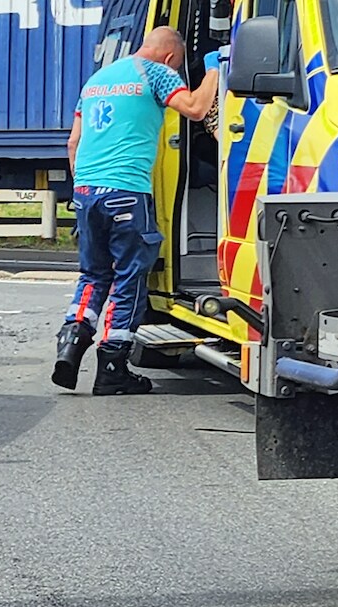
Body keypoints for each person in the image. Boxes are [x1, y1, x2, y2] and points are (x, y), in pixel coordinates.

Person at [52, 27, 220, 396]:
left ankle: (72, 340)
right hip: (127, 192)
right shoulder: (156, 71)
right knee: (128, 279)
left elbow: (73, 141)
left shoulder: (97, 79)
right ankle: (112, 367)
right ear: (170, 58)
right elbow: (195, 109)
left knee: (93, 275)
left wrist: (86, 185)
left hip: (87, 191)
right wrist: (215, 69)